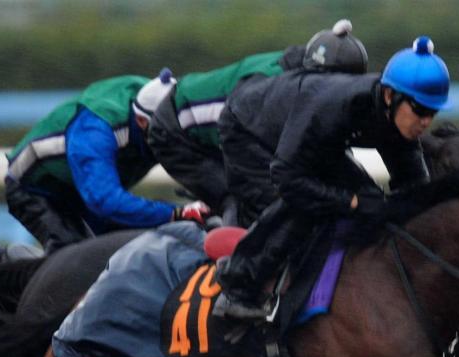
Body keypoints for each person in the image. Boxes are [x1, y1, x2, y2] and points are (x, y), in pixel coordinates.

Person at [214, 35, 451, 319]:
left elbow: (414, 192)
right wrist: (349, 202)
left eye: (433, 112)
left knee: (374, 201)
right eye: (421, 110)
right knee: (308, 203)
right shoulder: (336, 106)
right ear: (390, 96)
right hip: (248, 130)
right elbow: (288, 178)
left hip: (304, 139)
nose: (426, 122)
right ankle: (237, 286)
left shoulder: (397, 118)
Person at [147, 19, 367, 226]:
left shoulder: (306, 75)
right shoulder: (270, 89)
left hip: (220, 126)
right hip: (174, 131)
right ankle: (229, 263)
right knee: (245, 196)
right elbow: (238, 143)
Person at [5, 70, 211, 253]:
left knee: (139, 250)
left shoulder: (160, 106)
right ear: (141, 121)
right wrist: (175, 213)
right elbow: (104, 200)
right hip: (38, 189)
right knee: (76, 257)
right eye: (168, 131)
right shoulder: (96, 130)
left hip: (86, 187)